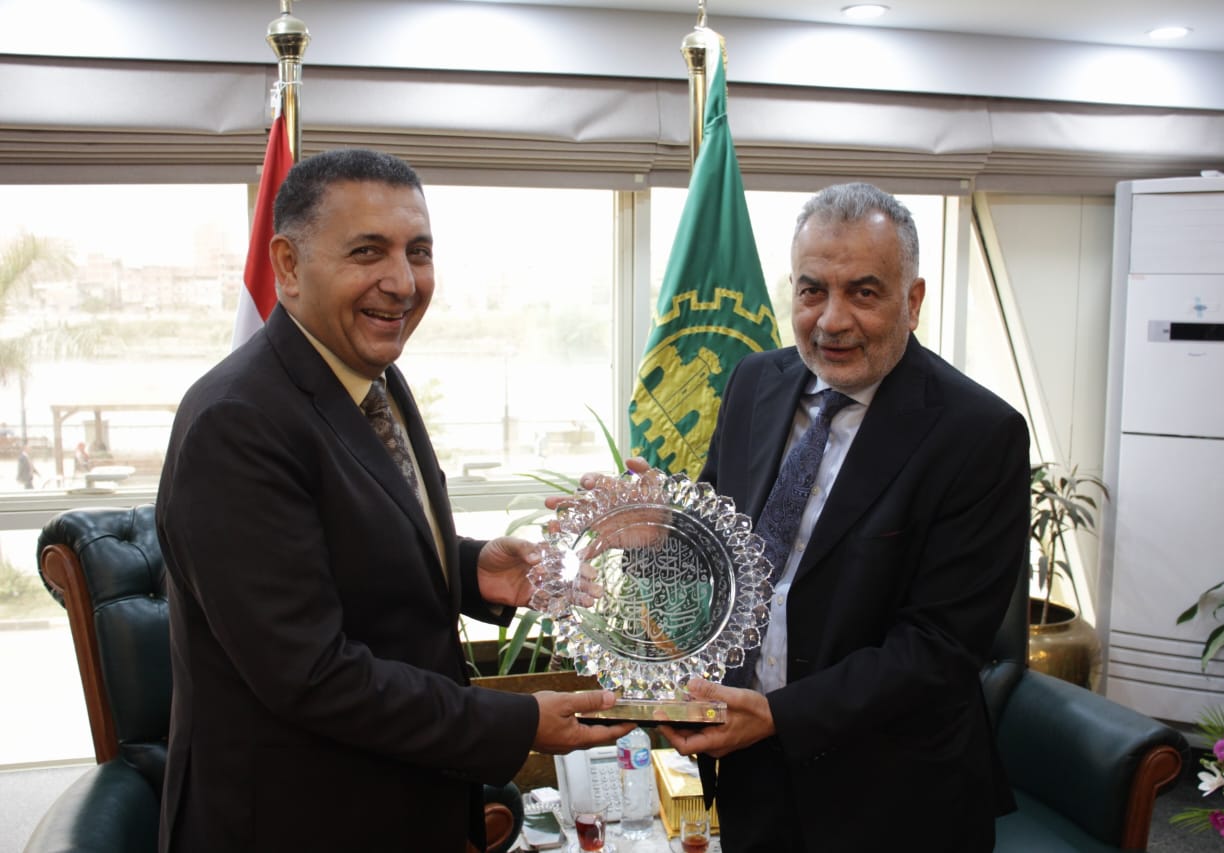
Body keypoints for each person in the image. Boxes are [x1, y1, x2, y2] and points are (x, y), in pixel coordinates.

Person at [155, 148, 631, 853]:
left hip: (401, 800)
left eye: (419, 252)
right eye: (367, 252)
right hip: (297, 822)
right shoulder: (237, 422)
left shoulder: (369, 372)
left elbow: (350, 544)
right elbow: (311, 675)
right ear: (288, 265)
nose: (404, 283)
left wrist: (468, 570)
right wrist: (519, 723)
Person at [651, 182, 1031, 851]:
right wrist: (660, 534)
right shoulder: (752, 383)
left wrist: (779, 715)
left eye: (864, 291)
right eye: (812, 291)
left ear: (913, 301)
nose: (831, 320)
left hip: (892, 793)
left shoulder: (978, 434)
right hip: (749, 769)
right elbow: (720, 547)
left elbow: (938, 648)